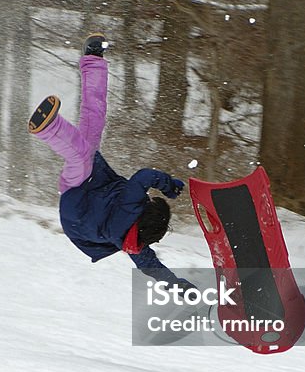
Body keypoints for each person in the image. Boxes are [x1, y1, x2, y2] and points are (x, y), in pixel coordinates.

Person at [29, 33, 194, 288]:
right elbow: (152, 267)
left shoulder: (132, 205)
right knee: (94, 118)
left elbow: (143, 176)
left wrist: (168, 185)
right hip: (82, 203)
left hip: (78, 195)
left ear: (146, 210)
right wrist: (177, 285)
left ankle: (48, 129)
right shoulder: (132, 244)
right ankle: (93, 58)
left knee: (81, 155)